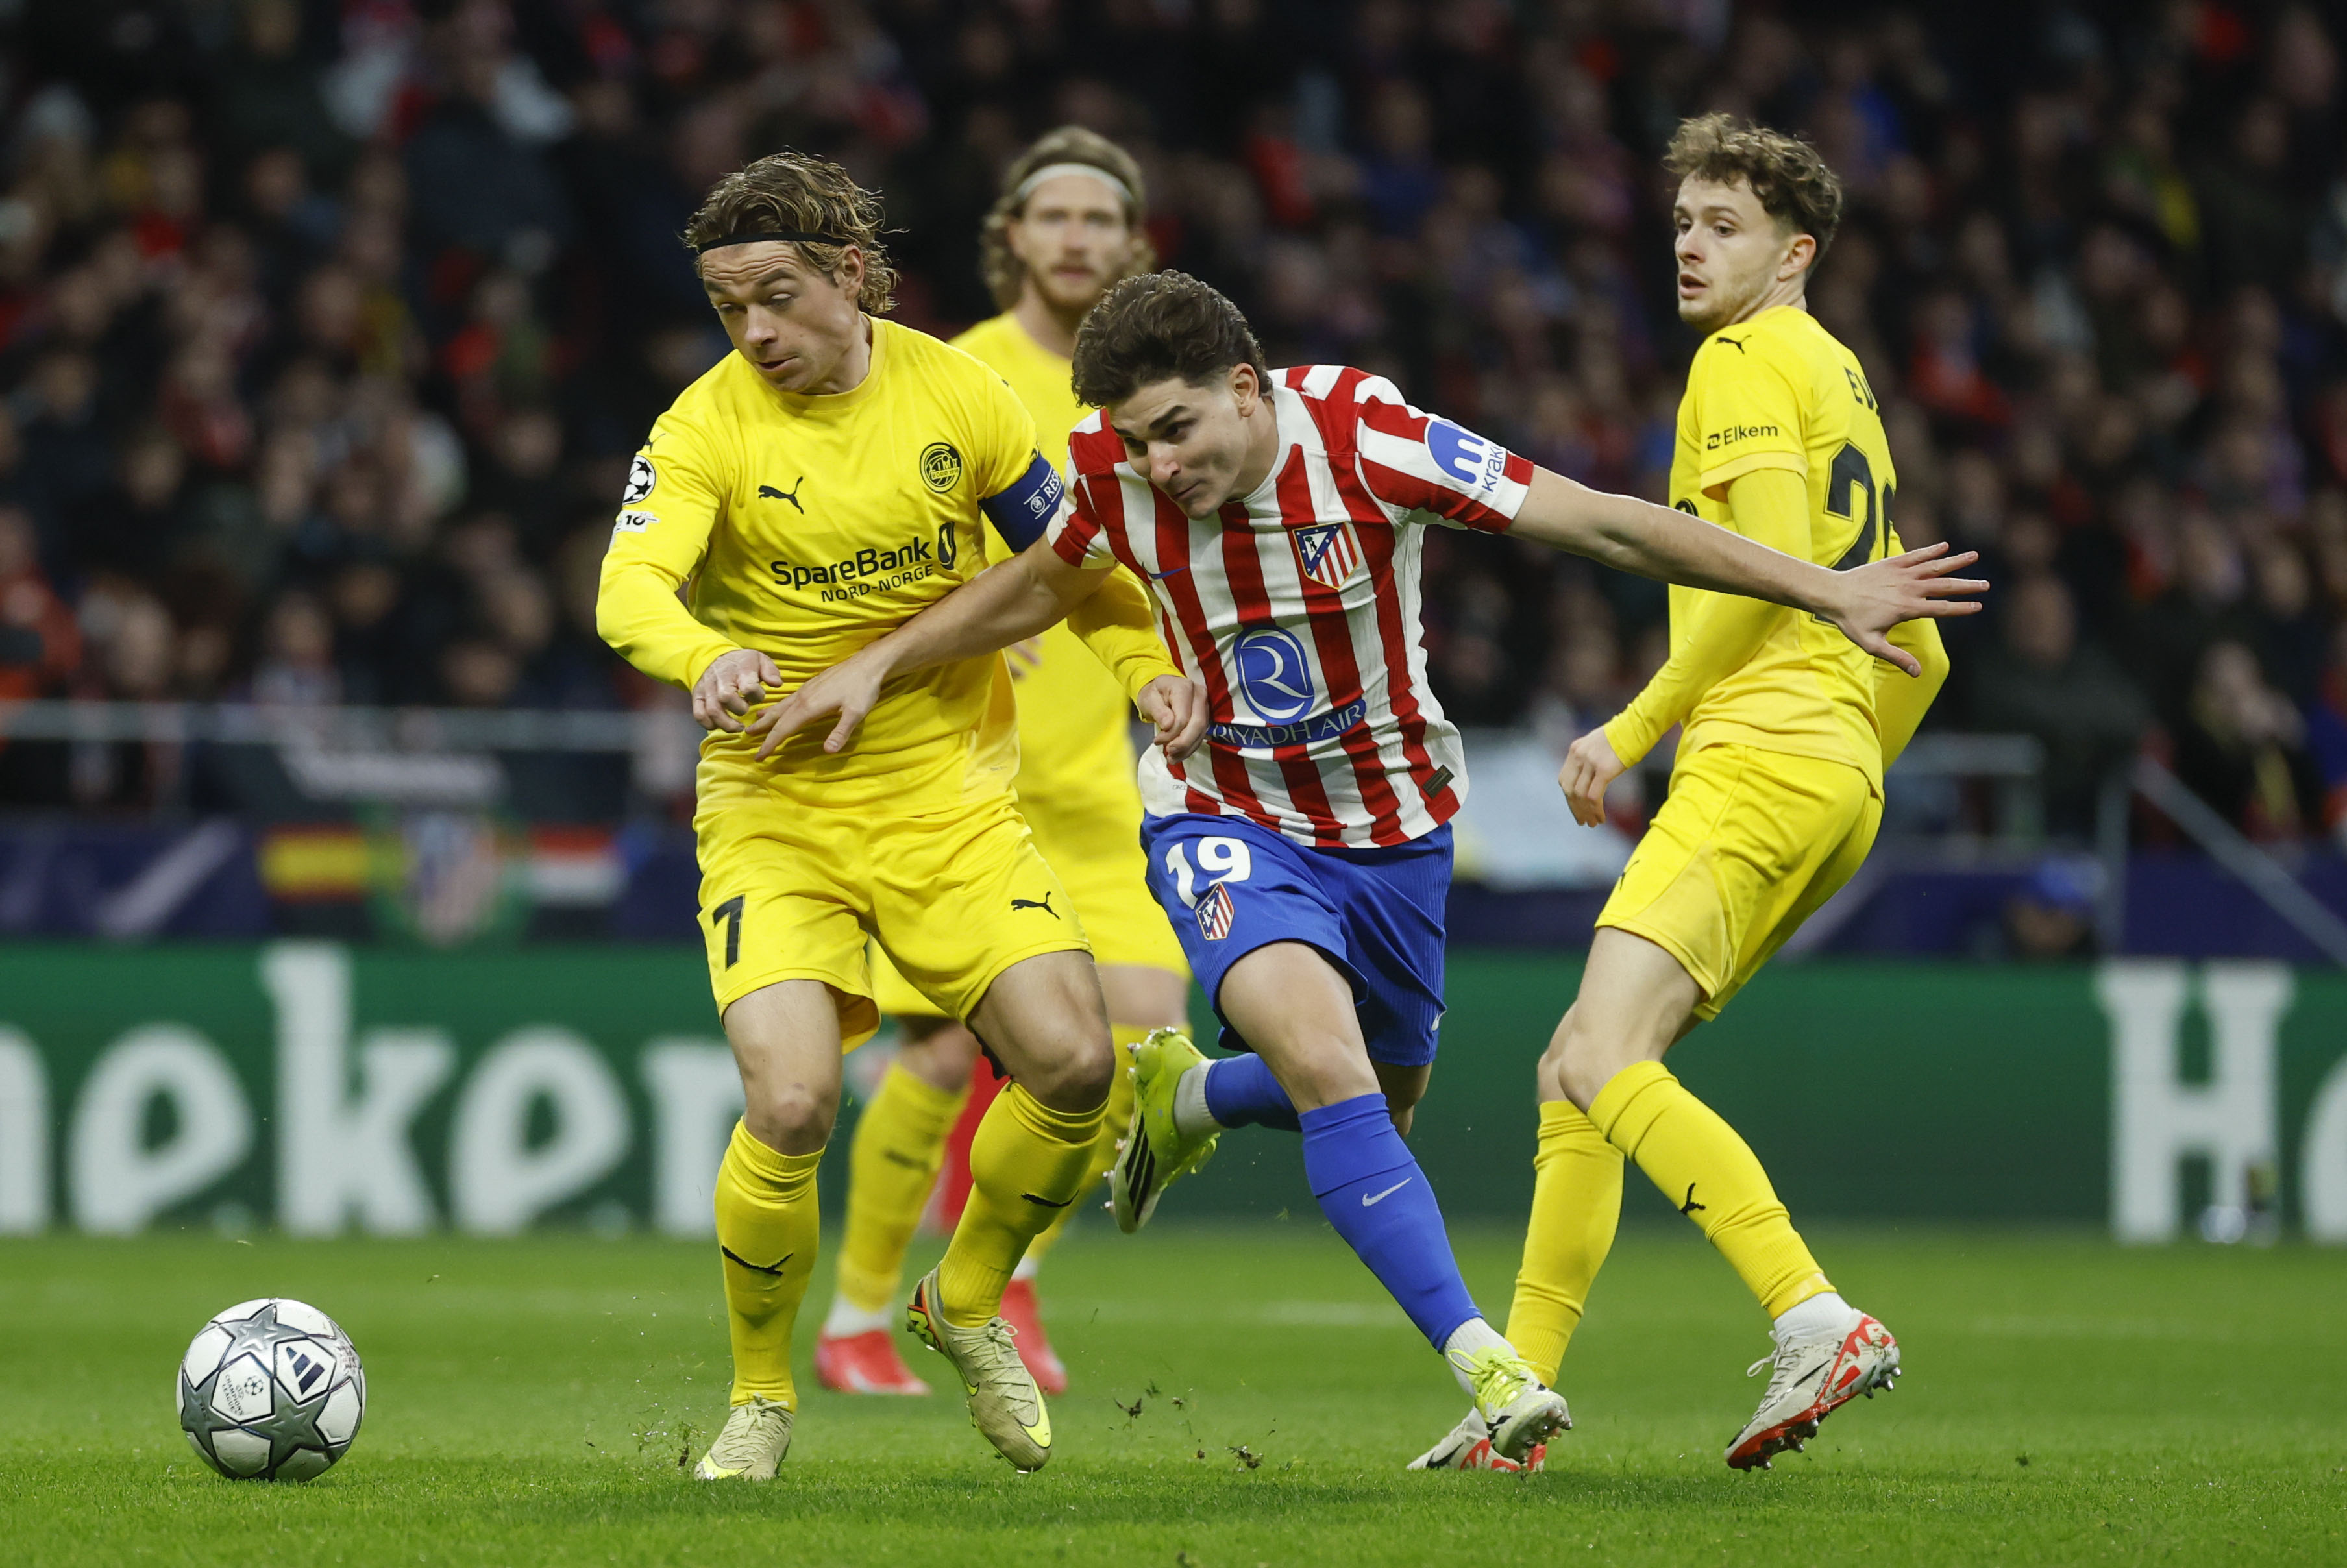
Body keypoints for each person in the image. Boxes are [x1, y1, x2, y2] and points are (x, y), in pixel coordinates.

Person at [757, 268, 1983, 1462]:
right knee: (1333, 1073)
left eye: (1177, 430)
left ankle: (1191, 1097)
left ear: (1248, 388)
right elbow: (1038, 585)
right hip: (1223, 815)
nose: (1158, 466)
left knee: (1380, 1102)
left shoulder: (1366, 438)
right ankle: (1487, 1367)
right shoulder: (1106, 475)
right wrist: (879, 664)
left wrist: (1822, 589)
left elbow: (1603, 522)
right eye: (1135, 441)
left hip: (1393, 830)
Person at [594, 149, 1209, 1480]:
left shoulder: (959, 396)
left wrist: (1144, 667)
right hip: (775, 804)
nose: (753, 332)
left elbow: (1078, 569)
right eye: (727, 307)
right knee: (793, 1099)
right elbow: (627, 587)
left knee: (1077, 1065)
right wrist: (702, 654)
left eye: (775, 297)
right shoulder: (704, 426)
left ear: (853, 276)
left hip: (947, 803)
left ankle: (964, 1295)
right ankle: (762, 1397)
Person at [1414, 114, 1951, 1478]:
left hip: (1757, 757)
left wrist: (1636, 724)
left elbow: (1761, 569)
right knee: (1575, 1067)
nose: (1689, 247)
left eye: (1723, 226)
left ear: (1795, 253)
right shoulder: (1841, 378)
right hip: (1828, 771)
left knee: (1601, 1059)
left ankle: (1811, 1313)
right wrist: (1852, 760)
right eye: (1680, 224)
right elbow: (1920, 642)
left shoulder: (1745, 359)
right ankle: (1514, 1401)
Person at [815, 126, 1192, 1400]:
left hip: (1093, 781)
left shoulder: (1158, 396)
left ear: (1132, 243)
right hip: (961, 771)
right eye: (1054, 215)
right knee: (935, 1057)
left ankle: (997, 1274)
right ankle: (855, 1321)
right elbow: (877, 531)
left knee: (1137, 1050)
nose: (1076, 236)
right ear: (1013, 238)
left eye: (1100, 217)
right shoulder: (954, 370)